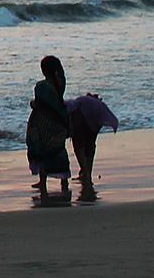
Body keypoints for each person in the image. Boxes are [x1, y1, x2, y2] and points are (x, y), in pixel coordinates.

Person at [27, 56, 73, 193]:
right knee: (58, 149)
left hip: (43, 121)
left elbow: (38, 104)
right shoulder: (60, 82)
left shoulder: (41, 86)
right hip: (59, 120)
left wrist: (32, 104)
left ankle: (43, 182)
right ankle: (64, 181)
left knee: (41, 149)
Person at [66, 93, 118, 182]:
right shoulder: (88, 102)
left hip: (85, 112)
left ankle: (85, 172)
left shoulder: (72, 105)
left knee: (78, 143)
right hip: (99, 113)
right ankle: (87, 172)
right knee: (90, 143)